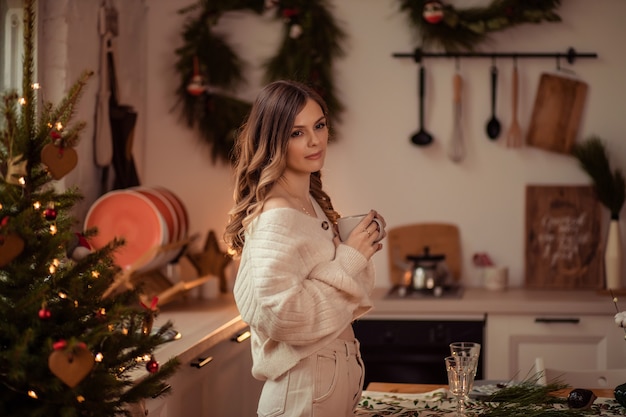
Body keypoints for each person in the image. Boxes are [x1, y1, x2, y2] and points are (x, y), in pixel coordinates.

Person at [223, 79, 387, 417]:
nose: (315, 141)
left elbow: (327, 281)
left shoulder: (308, 202)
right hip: (304, 387)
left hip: (325, 383)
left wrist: (353, 239)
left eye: (319, 125)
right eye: (296, 133)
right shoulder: (276, 216)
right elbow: (279, 314)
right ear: (273, 141)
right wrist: (350, 256)